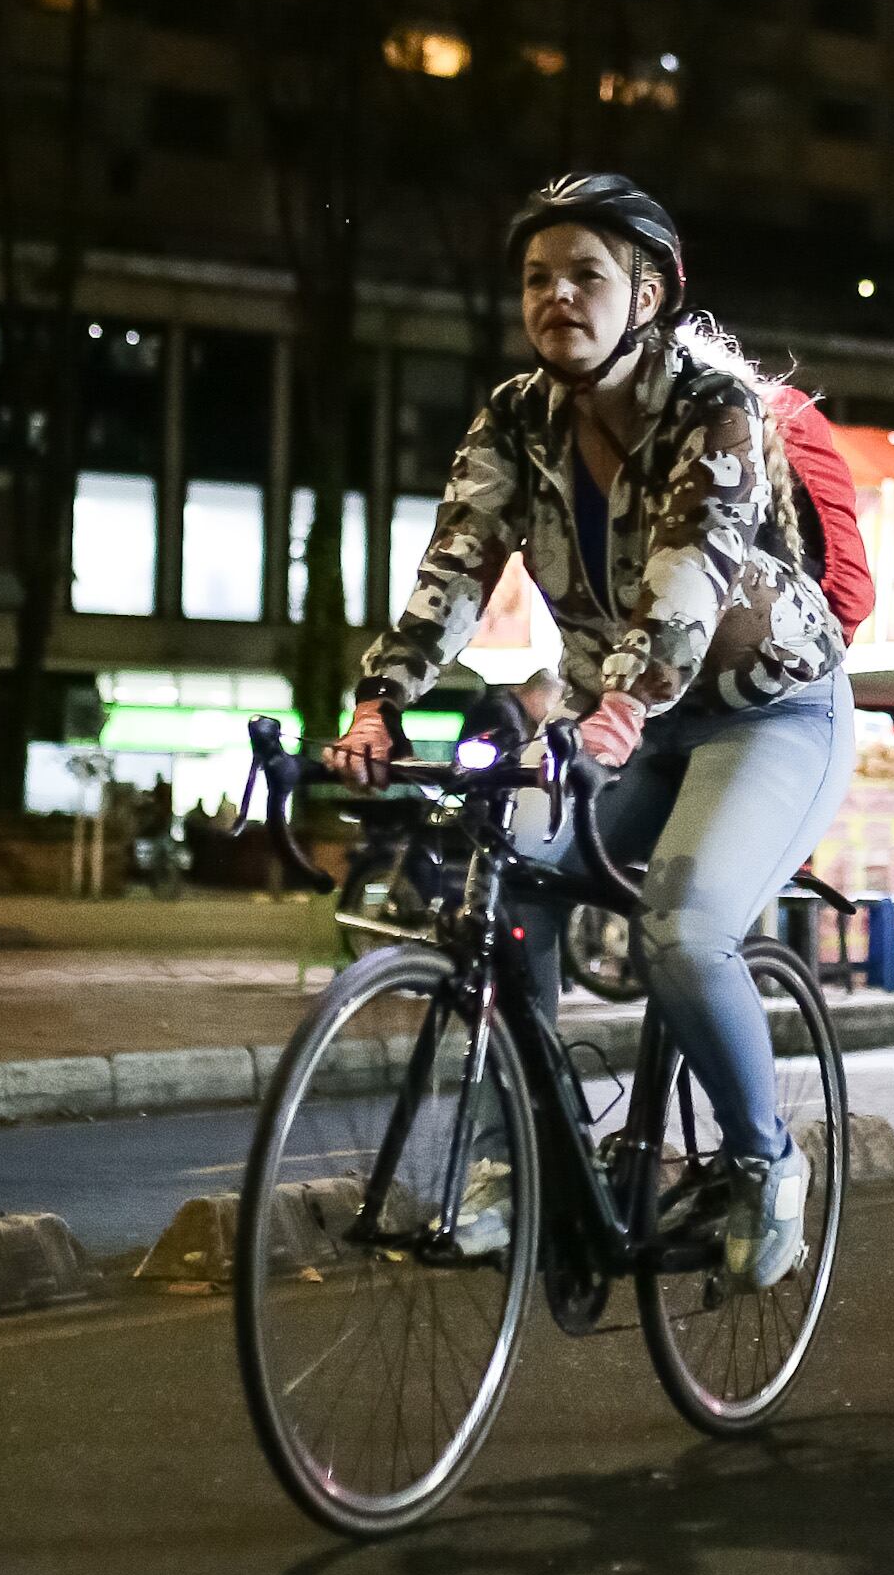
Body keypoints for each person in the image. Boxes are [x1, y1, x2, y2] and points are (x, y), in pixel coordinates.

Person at [336, 176, 850, 1290]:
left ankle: (766, 1161)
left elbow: (689, 569)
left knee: (681, 925)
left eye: (586, 275)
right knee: (501, 880)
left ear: (648, 292)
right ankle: (515, 1159)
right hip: (618, 722)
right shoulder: (514, 417)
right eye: (536, 277)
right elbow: (456, 565)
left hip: (766, 710)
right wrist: (381, 698)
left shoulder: (712, 403)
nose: (555, 295)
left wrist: (618, 707)